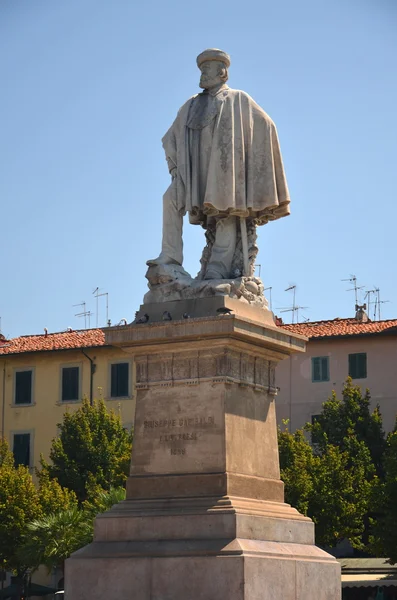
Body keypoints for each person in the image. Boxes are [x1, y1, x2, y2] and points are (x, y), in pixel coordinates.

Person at [148, 48, 290, 280]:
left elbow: (267, 125)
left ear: (222, 72)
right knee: (170, 199)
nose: (202, 74)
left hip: (224, 171)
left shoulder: (238, 99)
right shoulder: (191, 105)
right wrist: (174, 168)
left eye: (207, 69)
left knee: (225, 212)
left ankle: (217, 267)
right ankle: (170, 257)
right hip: (192, 172)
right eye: (201, 70)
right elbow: (169, 138)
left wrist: (247, 157)